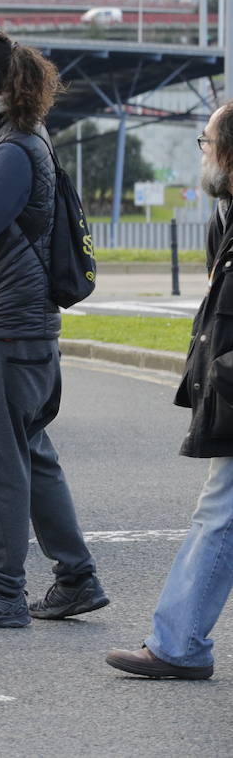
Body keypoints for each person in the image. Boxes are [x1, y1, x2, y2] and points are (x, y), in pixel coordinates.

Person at [0, 30, 108, 629]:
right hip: (21, 326)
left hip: (6, 329)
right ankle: (76, 578)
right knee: (31, 455)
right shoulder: (14, 140)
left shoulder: (9, 148)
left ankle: (2, 592)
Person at [106, 101, 233, 680]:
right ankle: (178, 640)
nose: (200, 152)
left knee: (219, 513)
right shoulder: (224, 217)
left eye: (206, 142)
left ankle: (178, 643)